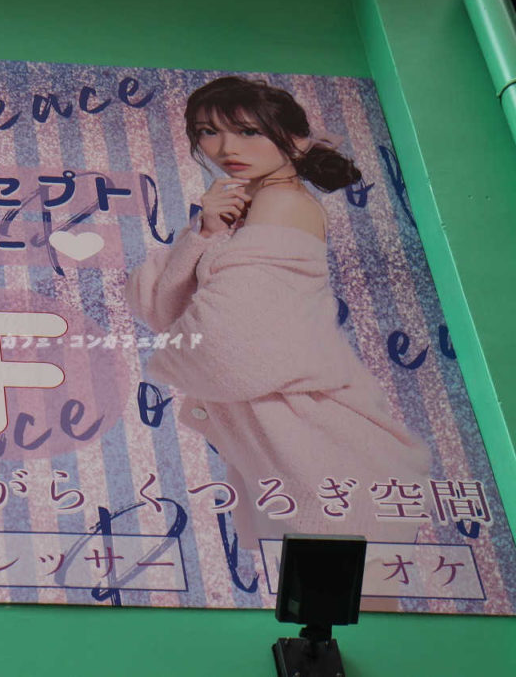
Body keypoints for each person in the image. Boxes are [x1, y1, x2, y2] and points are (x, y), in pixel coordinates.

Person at [125, 76, 431, 547]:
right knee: (326, 581)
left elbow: (223, 339)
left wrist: (177, 344)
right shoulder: (245, 207)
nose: (226, 148)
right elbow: (155, 304)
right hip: (284, 443)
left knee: (344, 577)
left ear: (293, 138)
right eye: (208, 131)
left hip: (316, 442)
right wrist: (205, 231)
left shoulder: (281, 203)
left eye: (248, 131)